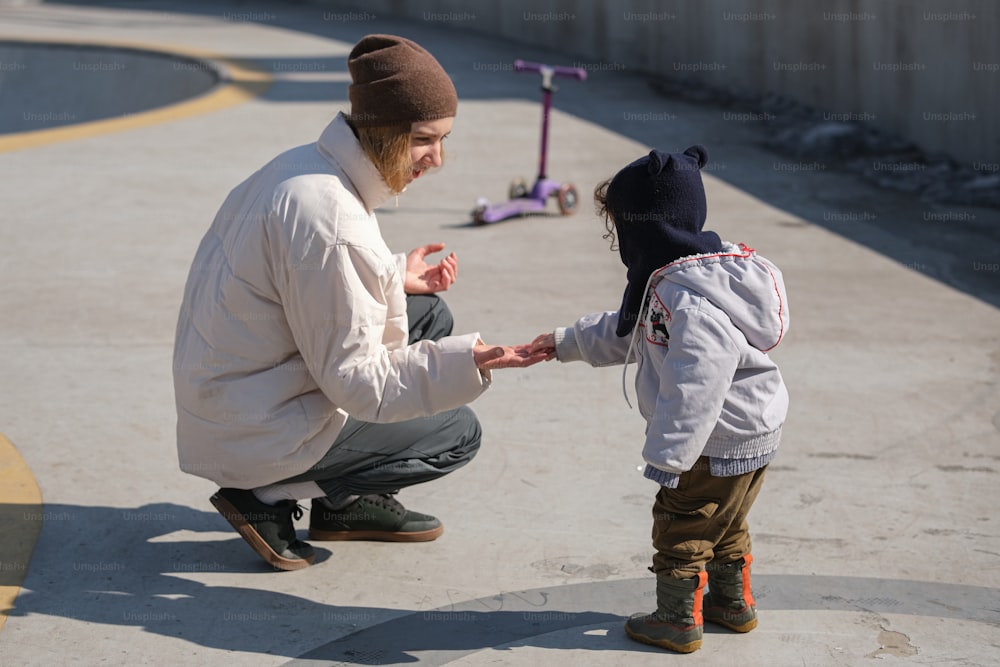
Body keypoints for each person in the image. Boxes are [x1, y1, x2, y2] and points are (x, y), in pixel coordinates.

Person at [172, 34, 548, 571]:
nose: (436, 160)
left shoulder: (305, 168)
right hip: (251, 428)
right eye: (424, 139)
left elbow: (301, 285)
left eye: (443, 139)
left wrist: (392, 275)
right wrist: (464, 364)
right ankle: (265, 493)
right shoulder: (334, 224)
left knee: (429, 315)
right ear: (384, 130)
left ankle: (340, 504)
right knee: (457, 432)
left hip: (234, 392)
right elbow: (358, 383)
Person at [529, 145, 790, 653]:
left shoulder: (688, 299)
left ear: (647, 231)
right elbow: (631, 331)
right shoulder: (680, 279)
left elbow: (697, 383)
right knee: (726, 520)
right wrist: (565, 342)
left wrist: (669, 457)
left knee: (681, 523)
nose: (618, 243)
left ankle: (675, 619)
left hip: (714, 439)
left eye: (620, 231)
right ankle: (731, 604)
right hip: (750, 433)